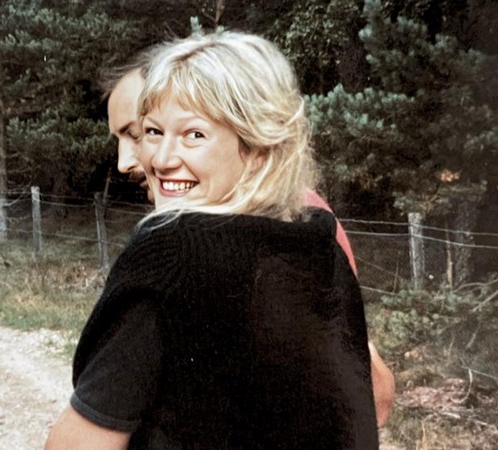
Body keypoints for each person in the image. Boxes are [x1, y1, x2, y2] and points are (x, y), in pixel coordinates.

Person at [47, 30, 382, 449]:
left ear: (257, 150)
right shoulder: (319, 240)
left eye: (194, 135)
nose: (158, 159)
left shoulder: (168, 252)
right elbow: (371, 404)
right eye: (153, 131)